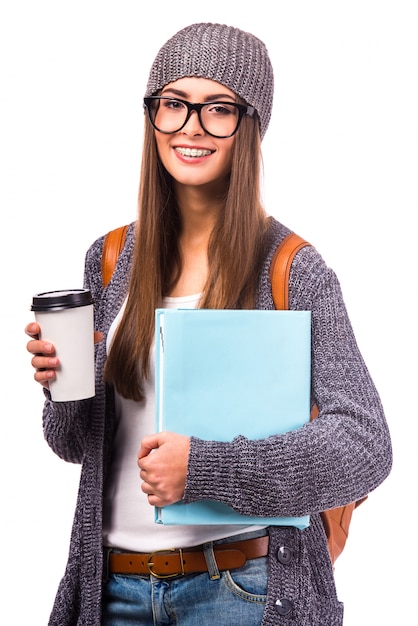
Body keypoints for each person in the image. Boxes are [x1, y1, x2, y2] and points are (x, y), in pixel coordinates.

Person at [25, 22, 392, 626]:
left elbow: (364, 444)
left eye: (218, 108)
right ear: (152, 118)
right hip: (112, 589)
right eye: (173, 104)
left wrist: (205, 469)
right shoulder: (111, 258)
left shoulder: (292, 268)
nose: (190, 126)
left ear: (249, 126)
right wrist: (63, 381)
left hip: (241, 592)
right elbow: (72, 444)